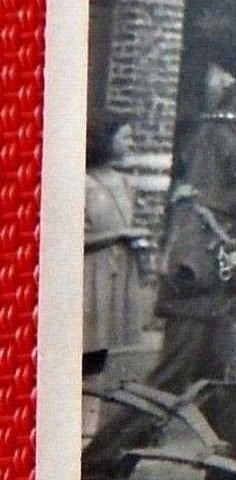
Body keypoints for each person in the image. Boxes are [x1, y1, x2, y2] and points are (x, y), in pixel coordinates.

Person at [83, 117, 150, 376]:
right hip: (91, 276)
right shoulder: (85, 183)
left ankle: (89, 410)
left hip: (115, 275)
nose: (131, 144)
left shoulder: (124, 183)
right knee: (84, 350)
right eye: (126, 138)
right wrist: (120, 234)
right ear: (104, 142)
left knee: (99, 356)